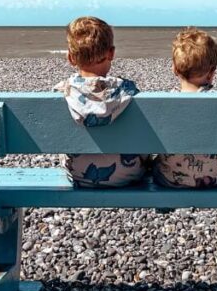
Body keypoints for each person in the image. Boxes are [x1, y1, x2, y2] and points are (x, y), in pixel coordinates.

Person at [54, 16, 148, 187]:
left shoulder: (62, 92)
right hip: (128, 173)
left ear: (70, 57)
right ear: (111, 53)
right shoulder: (128, 91)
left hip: (78, 173)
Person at [152, 28, 217, 188]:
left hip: (170, 178)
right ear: (212, 72)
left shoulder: (162, 102)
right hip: (214, 177)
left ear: (174, 69)